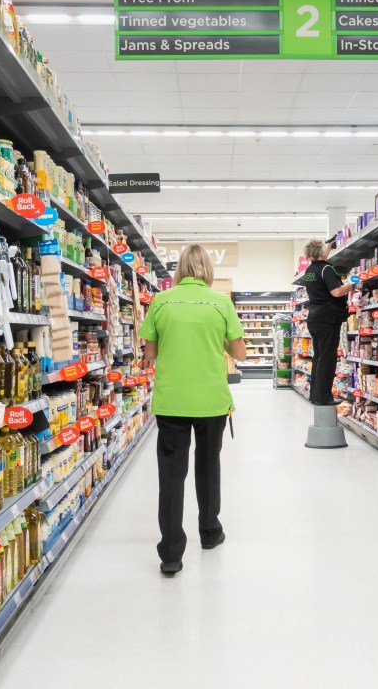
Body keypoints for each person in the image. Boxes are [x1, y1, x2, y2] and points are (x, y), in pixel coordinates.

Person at [139, 244, 246, 576]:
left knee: (171, 476)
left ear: (180, 269)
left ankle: (171, 554)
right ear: (208, 271)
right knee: (207, 465)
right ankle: (210, 532)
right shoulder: (221, 303)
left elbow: (150, 354)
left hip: (172, 400)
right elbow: (240, 354)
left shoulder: (160, 301)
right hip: (211, 400)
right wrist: (219, 340)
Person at [301, 238, 354, 407]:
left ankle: (316, 395)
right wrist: (352, 284)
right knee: (328, 358)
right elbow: (337, 292)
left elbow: (320, 261)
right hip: (327, 318)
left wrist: (328, 247)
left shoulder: (309, 271)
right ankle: (324, 398)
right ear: (319, 252)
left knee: (319, 356)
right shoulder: (327, 269)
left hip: (314, 318)